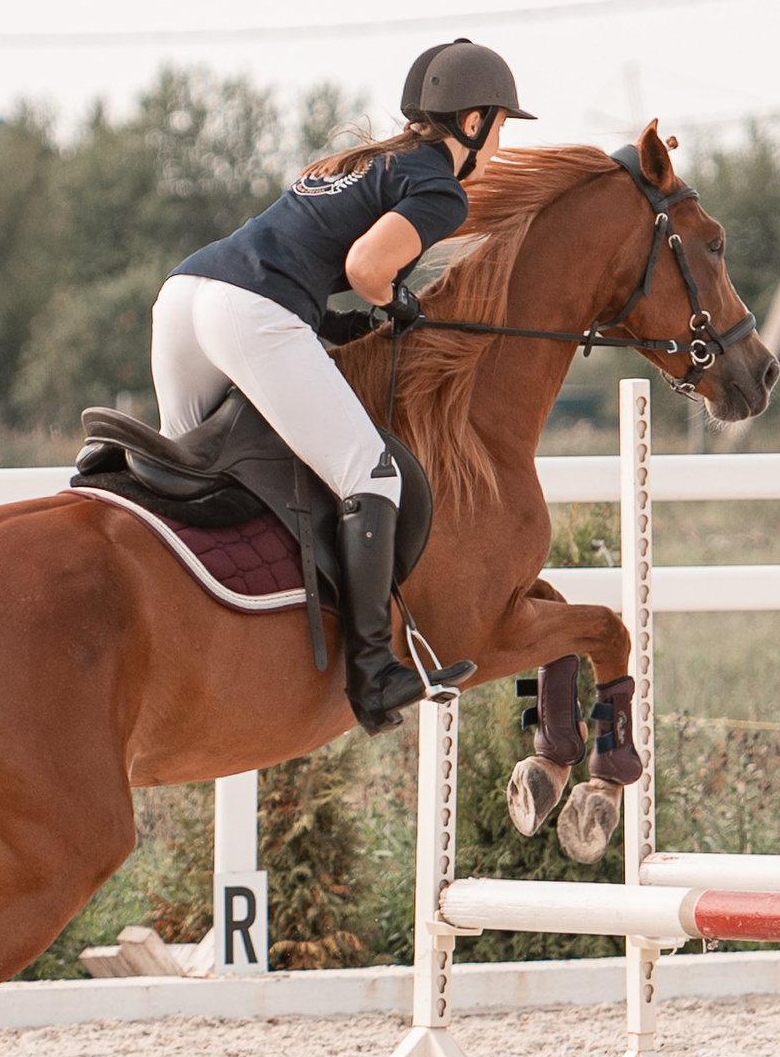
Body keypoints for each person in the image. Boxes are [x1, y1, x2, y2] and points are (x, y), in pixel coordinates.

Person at [150, 39, 532, 735]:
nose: (501, 142)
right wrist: (394, 302)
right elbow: (363, 263)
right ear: (471, 123)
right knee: (372, 475)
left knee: (182, 485)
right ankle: (375, 672)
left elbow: (296, 250)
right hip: (249, 309)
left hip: (185, 295)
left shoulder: (364, 164)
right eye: (501, 124)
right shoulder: (439, 189)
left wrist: (330, 319)